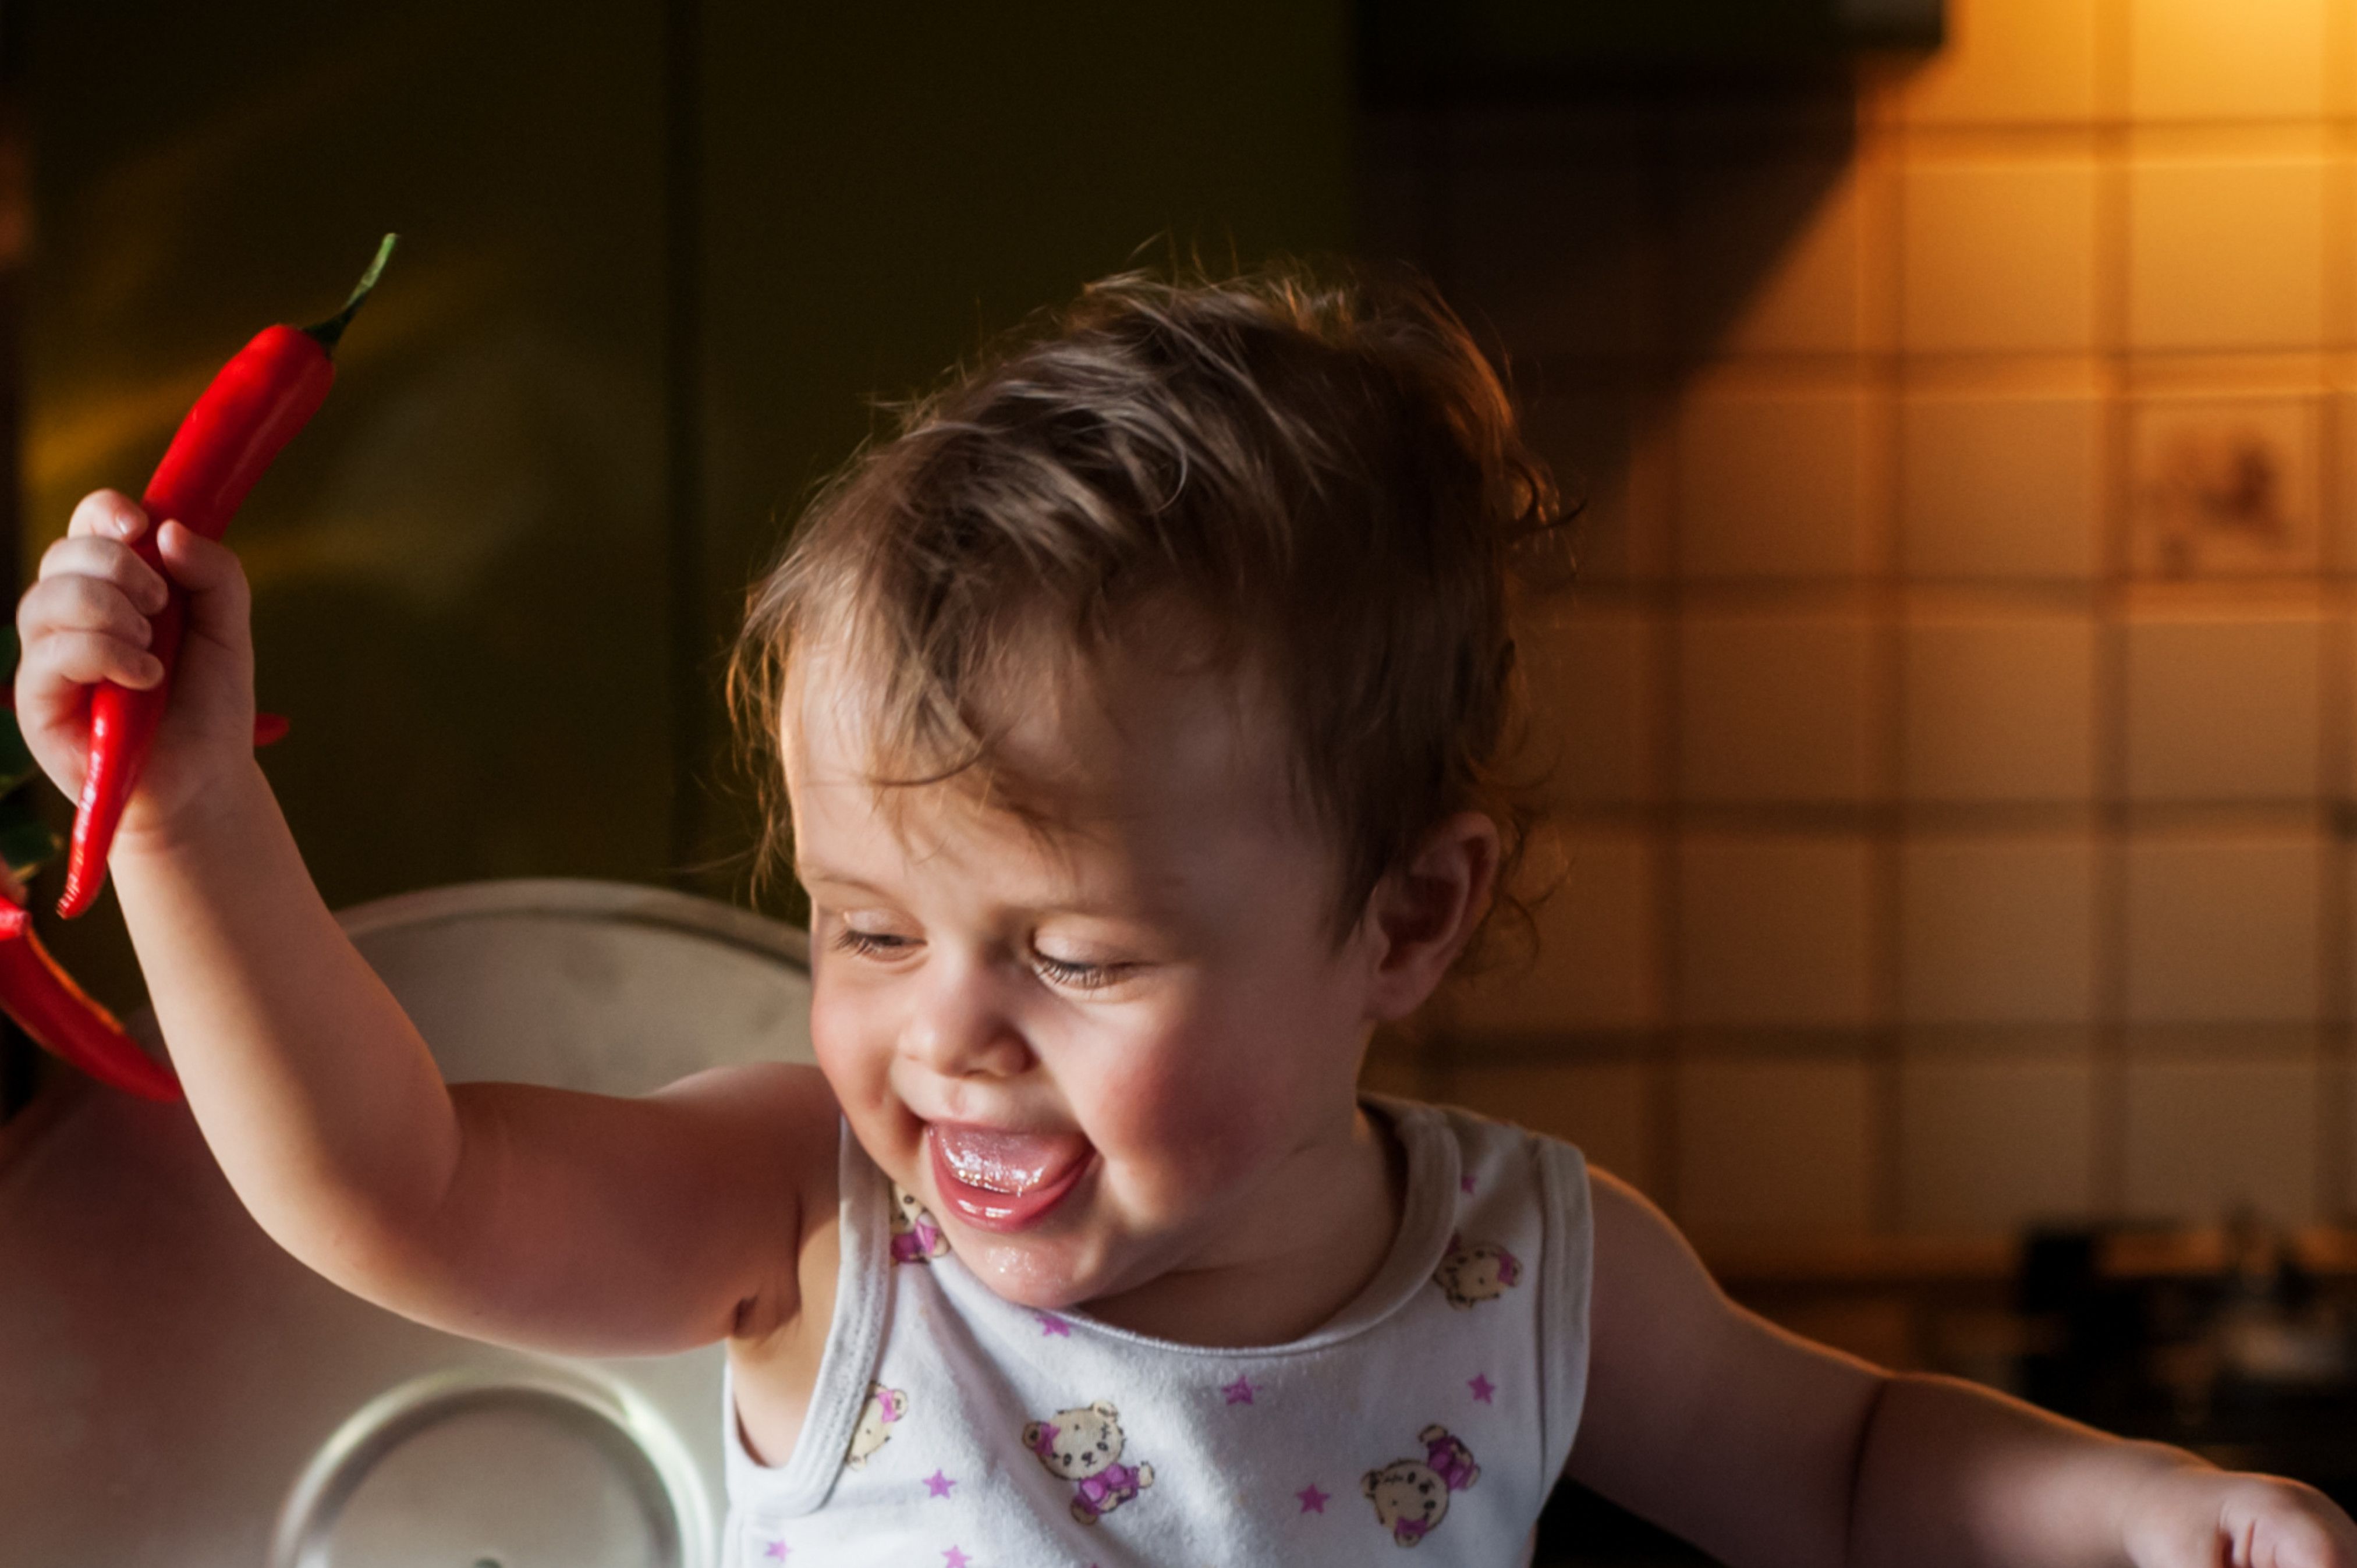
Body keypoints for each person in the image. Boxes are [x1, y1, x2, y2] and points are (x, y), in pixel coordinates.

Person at [17, 263, 2355, 1568]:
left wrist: (2133, 1504)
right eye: (860, 923)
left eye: (1068, 949)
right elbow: (385, 1183)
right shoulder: (812, 1223)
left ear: (1402, 915)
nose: (945, 1033)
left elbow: (1846, 1467)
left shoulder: (1522, 1267)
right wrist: (199, 813)